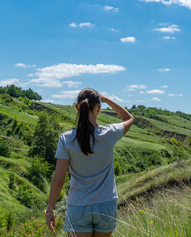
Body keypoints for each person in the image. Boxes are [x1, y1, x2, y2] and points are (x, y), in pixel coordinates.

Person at [45, 88, 134, 237]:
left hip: (79, 206)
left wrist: (50, 210)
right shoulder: (109, 133)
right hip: (106, 204)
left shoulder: (66, 139)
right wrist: (106, 100)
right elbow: (129, 118)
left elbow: (58, 180)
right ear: (98, 108)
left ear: (77, 108)